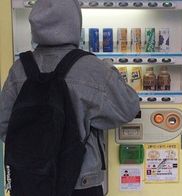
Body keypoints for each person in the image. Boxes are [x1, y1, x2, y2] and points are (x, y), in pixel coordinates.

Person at [0, 0, 140, 196]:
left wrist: (37, 147)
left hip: (31, 179)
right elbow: (128, 108)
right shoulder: (92, 67)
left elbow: (4, 124)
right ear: (74, 23)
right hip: (80, 181)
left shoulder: (19, 68)